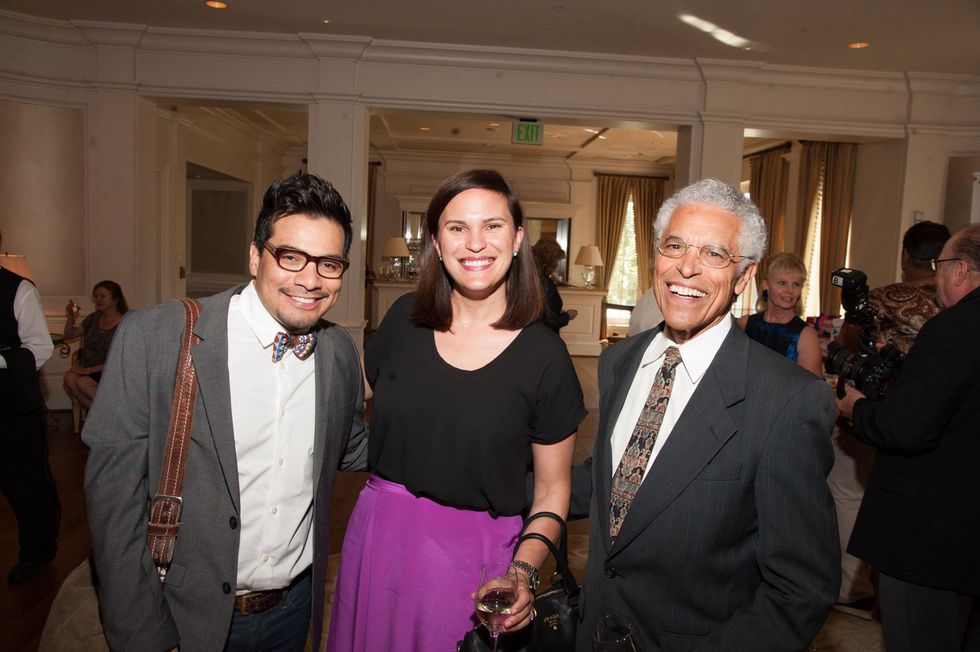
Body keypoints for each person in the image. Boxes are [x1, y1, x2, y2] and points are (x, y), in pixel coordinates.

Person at [83, 172, 368, 652]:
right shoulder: (155, 338)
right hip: (181, 616)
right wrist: (145, 637)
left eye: (330, 264)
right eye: (291, 256)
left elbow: (355, 447)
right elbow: (113, 507)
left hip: (294, 610)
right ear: (256, 255)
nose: (310, 279)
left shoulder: (337, 350)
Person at [575, 178, 839, 651]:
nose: (687, 268)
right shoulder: (621, 361)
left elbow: (801, 590)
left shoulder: (786, 401)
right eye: (674, 245)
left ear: (743, 277)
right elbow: (613, 481)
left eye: (715, 254)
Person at [328, 169, 585, 652]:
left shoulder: (544, 358)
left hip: (477, 566)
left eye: (492, 226)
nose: (475, 243)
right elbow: (336, 398)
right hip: (379, 541)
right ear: (436, 243)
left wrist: (523, 570)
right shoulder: (404, 320)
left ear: (516, 240)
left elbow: (552, 491)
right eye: (457, 227)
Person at [836, 224, 980, 652]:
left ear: (959, 271)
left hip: (931, 537)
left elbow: (906, 427)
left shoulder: (955, 328)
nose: (936, 278)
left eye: (941, 267)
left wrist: (856, 409)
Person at [829, 219, 950, 618]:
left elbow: (845, 348)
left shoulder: (880, 298)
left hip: (876, 414)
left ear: (904, 256)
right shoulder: (957, 306)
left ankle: (851, 586)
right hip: (941, 426)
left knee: (849, 494)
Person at [0, 229, 60, 584]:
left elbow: (40, 347)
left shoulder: (18, 289)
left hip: (12, 407)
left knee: (27, 484)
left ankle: (38, 552)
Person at [736, 251, 822, 377]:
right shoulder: (744, 324)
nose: (790, 290)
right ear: (766, 285)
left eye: (796, 284)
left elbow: (812, 391)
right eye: (782, 283)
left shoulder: (806, 335)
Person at [62, 280, 128, 409]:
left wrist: (87, 371)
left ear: (115, 299)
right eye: (96, 296)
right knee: (69, 378)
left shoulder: (125, 322)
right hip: (87, 367)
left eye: (103, 296)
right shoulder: (94, 317)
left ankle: (113, 413)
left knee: (82, 383)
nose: (98, 299)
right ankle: (100, 417)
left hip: (110, 370)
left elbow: (120, 358)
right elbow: (70, 335)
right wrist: (71, 315)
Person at [532, 235, 577, 332]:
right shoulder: (546, 284)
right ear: (551, 261)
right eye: (557, 260)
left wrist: (556, 312)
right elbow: (550, 322)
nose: (557, 265)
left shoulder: (529, 279)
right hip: (544, 338)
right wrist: (567, 315)